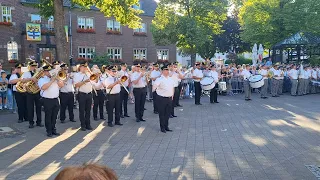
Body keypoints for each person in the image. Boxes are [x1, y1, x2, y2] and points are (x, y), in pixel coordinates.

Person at [38, 65, 64, 137]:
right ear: (45, 72)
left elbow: (61, 85)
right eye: (48, 71)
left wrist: (58, 80)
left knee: (54, 116)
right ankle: (49, 131)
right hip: (47, 100)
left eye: (50, 71)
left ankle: (53, 129)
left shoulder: (56, 78)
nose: (49, 73)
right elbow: (43, 87)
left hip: (55, 99)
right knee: (48, 116)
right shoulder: (42, 79)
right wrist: (52, 80)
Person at [153, 64, 174, 133]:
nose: (167, 71)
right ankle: (162, 127)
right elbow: (154, 88)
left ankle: (166, 126)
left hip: (169, 98)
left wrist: (172, 95)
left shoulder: (170, 79)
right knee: (162, 113)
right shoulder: (159, 79)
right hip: (161, 98)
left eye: (167, 70)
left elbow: (172, 87)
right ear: (162, 71)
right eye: (165, 70)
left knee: (167, 113)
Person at [21, 61, 43, 128]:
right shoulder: (26, 73)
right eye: (32, 66)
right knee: (30, 108)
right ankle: (31, 123)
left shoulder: (39, 74)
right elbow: (22, 80)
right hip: (29, 93)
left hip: (37, 92)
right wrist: (31, 79)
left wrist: (37, 82)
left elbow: (42, 82)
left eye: (35, 66)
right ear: (29, 67)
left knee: (39, 108)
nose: (34, 67)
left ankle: (39, 122)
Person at [73, 62, 93, 131]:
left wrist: (90, 72)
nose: (85, 68)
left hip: (89, 94)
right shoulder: (77, 75)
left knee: (88, 110)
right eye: (83, 67)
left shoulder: (89, 74)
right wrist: (85, 81)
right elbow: (76, 85)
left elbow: (95, 81)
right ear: (80, 67)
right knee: (82, 110)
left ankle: (88, 124)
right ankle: (83, 125)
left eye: (86, 67)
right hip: (82, 94)